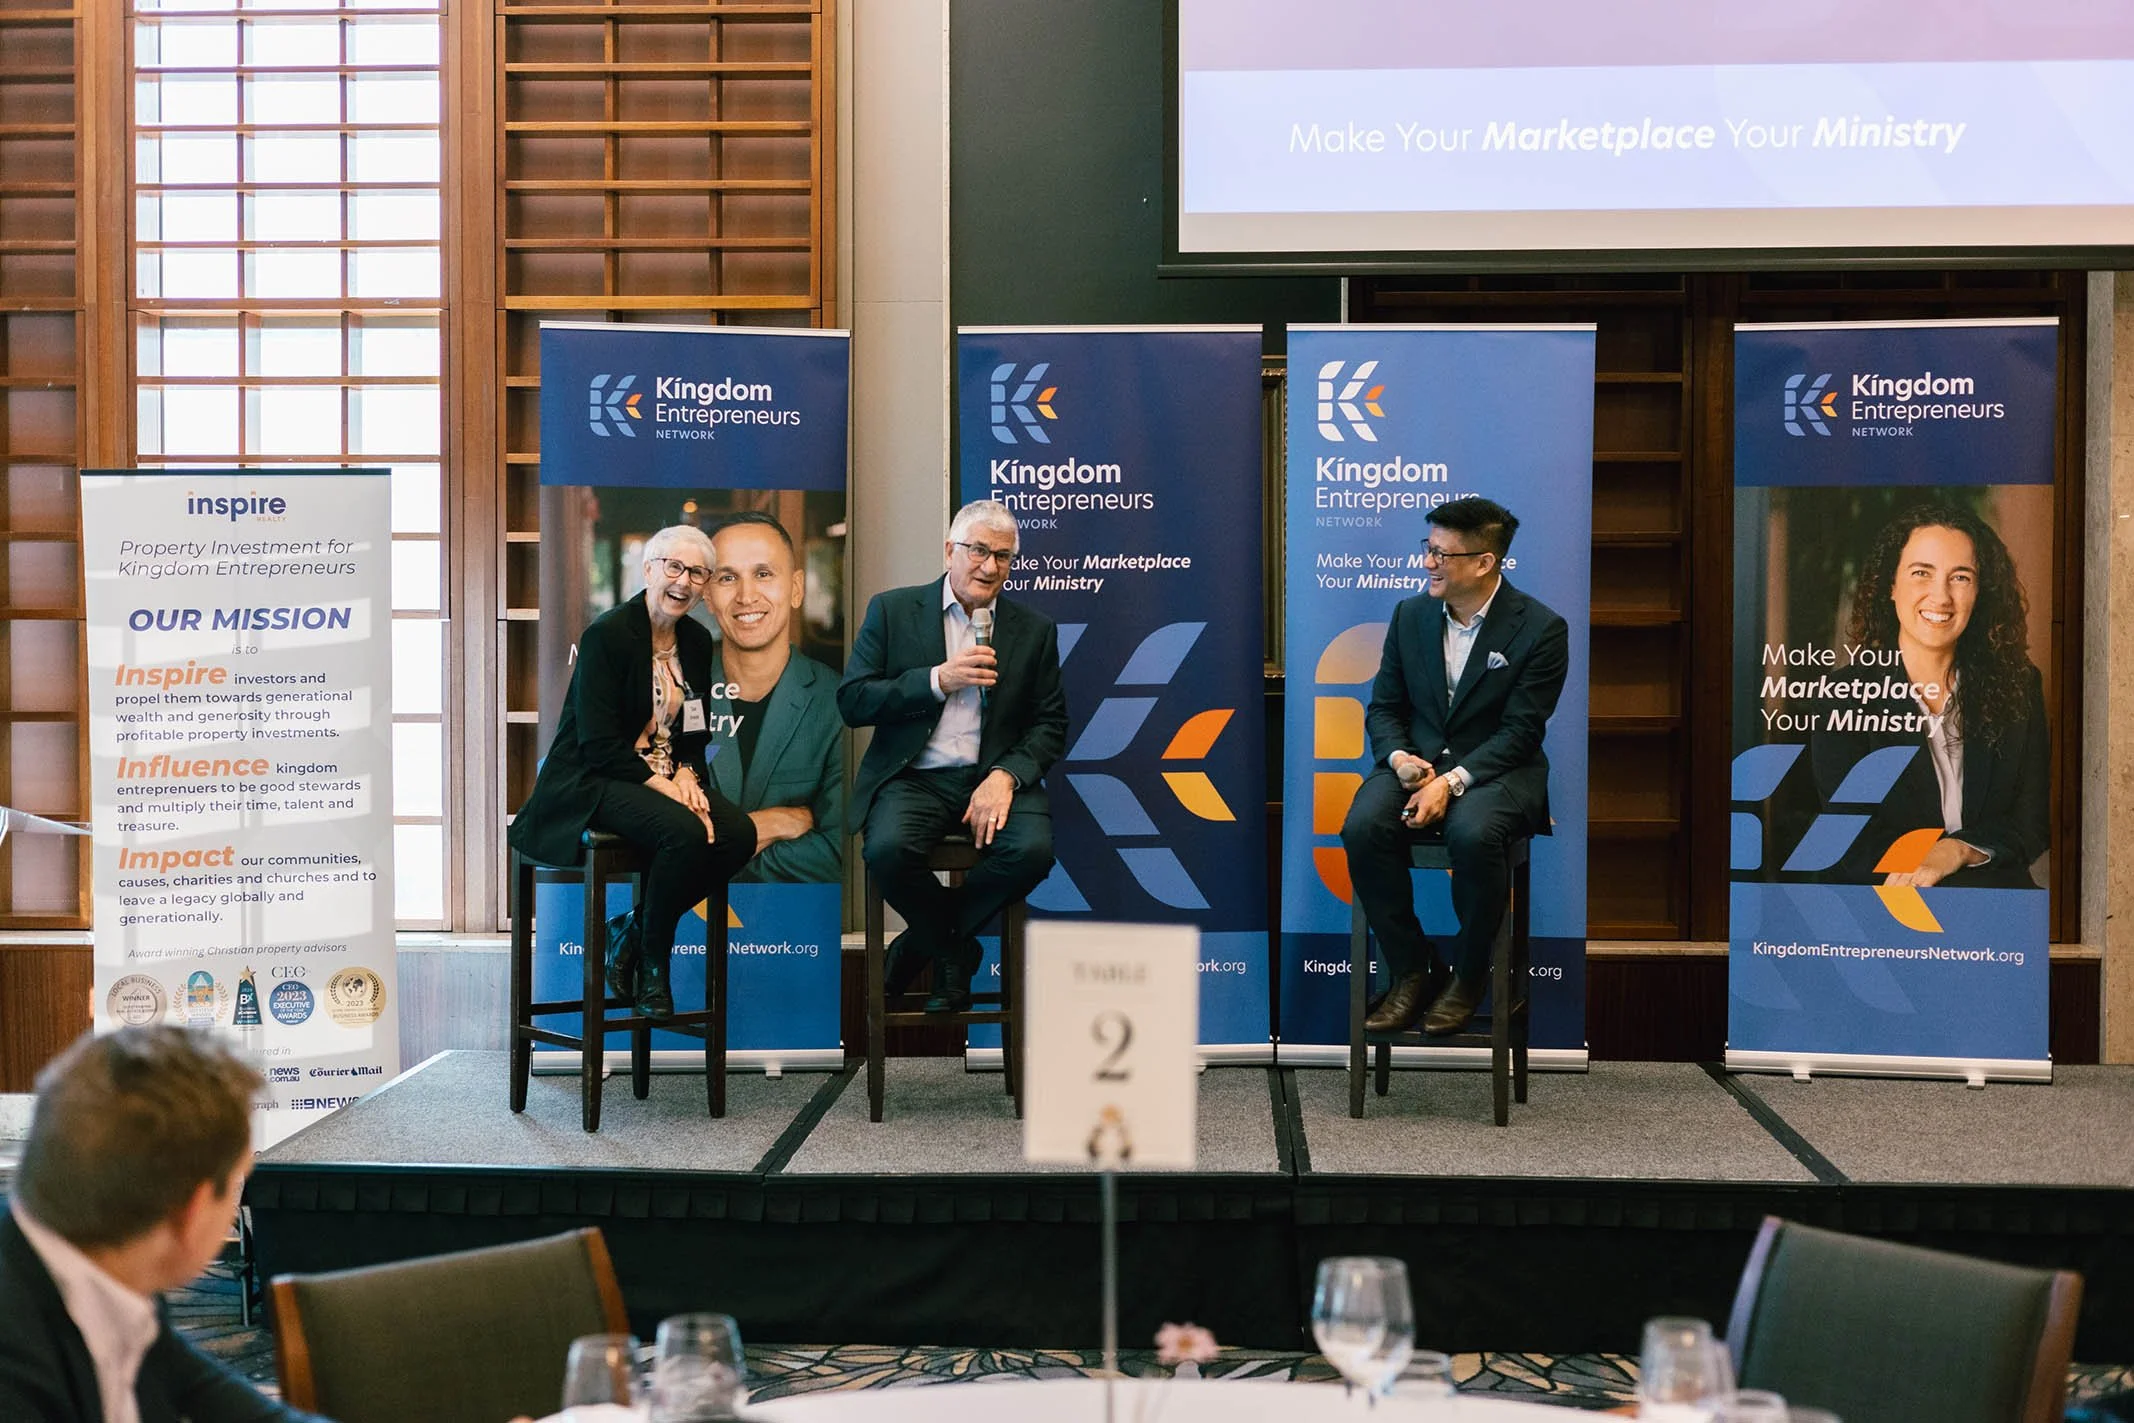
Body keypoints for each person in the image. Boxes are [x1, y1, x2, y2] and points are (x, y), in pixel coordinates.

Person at [0, 1025, 330, 1423]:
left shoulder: (116, 1269)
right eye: (239, 1183)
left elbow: (196, 1385)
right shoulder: (16, 1378)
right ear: (192, 1211)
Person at [1341, 496, 1568, 1036]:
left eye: (1442, 554)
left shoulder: (1540, 628)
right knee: (1363, 827)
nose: (1428, 563)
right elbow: (1384, 708)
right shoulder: (1410, 615)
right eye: (1429, 548)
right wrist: (1398, 759)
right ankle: (1413, 969)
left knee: (1473, 834)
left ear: (1484, 562)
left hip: (1498, 771)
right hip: (1415, 763)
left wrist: (1450, 782)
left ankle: (1468, 976)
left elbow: (1521, 732)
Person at [510, 525, 757, 1018]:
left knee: (738, 834)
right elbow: (598, 744)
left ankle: (634, 928)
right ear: (649, 570)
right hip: (597, 778)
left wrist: (687, 773)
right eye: (674, 567)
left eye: (698, 573)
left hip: (664, 774)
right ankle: (653, 969)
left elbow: (695, 725)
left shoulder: (695, 639)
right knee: (684, 831)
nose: (684, 582)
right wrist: (666, 785)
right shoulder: (608, 635)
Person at [838, 499, 1068, 1012]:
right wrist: (936, 680)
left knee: (1032, 852)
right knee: (887, 851)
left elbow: (1051, 723)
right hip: (914, 776)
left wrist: (1006, 775)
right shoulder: (893, 611)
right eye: (978, 551)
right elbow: (853, 701)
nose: (989, 567)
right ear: (949, 551)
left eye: (1003, 557)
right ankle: (953, 951)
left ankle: (919, 945)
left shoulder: (1034, 629)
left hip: (993, 777)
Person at [1809, 502, 2049, 888]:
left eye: (1961, 577)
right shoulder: (1844, 695)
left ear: (1980, 591)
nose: (1941, 596)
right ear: (1891, 584)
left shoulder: (2018, 685)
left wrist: (1958, 851)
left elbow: (2031, 823)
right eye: (1922, 573)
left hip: (1996, 908)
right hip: (1887, 905)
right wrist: (1929, 865)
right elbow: (1849, 839)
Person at [702, 511, 844, 883]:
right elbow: (649, 839)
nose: (747, 596)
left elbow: (839, 853)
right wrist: (775, 823)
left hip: (797, 919)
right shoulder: (674, 693)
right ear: (707, 595)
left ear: (796, 589)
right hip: (685, 919)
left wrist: (714, 856)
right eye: (727, 577)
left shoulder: (838, 703)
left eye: (763, 574)